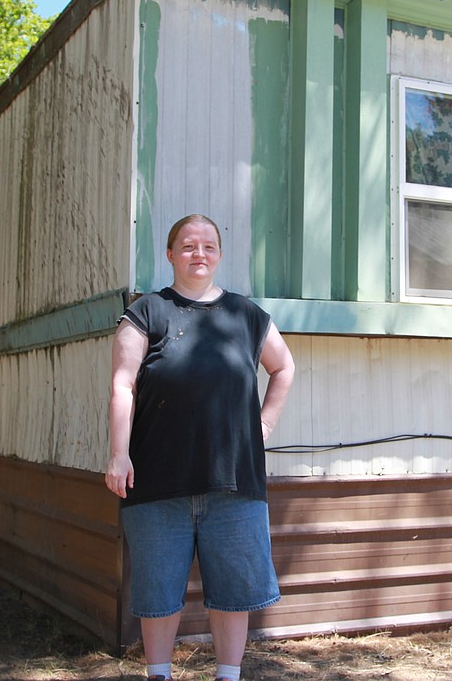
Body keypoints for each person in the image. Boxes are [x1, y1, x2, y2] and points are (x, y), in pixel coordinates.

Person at [105, 214, 295, 681]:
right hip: (155, 481)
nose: (199, 254)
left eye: (208, 246)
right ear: (170, 255)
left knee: (234, 592)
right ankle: (159, 674)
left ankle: (228, 675)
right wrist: (119, 452)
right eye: (188, 246)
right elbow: (122, 384)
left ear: (220, 255)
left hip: (234, 485)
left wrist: (265, 422)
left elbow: (284, 367)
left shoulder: (246, 315)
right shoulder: (146, 311)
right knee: (158, 593)